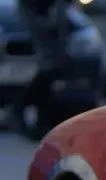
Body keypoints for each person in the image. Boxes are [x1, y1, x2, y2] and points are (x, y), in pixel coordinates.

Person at [5, 0, 70, 132]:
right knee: (50, 66)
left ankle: (40, 119)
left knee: (55, 66)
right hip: (35, 8)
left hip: (49, 9)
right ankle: (20, 111)